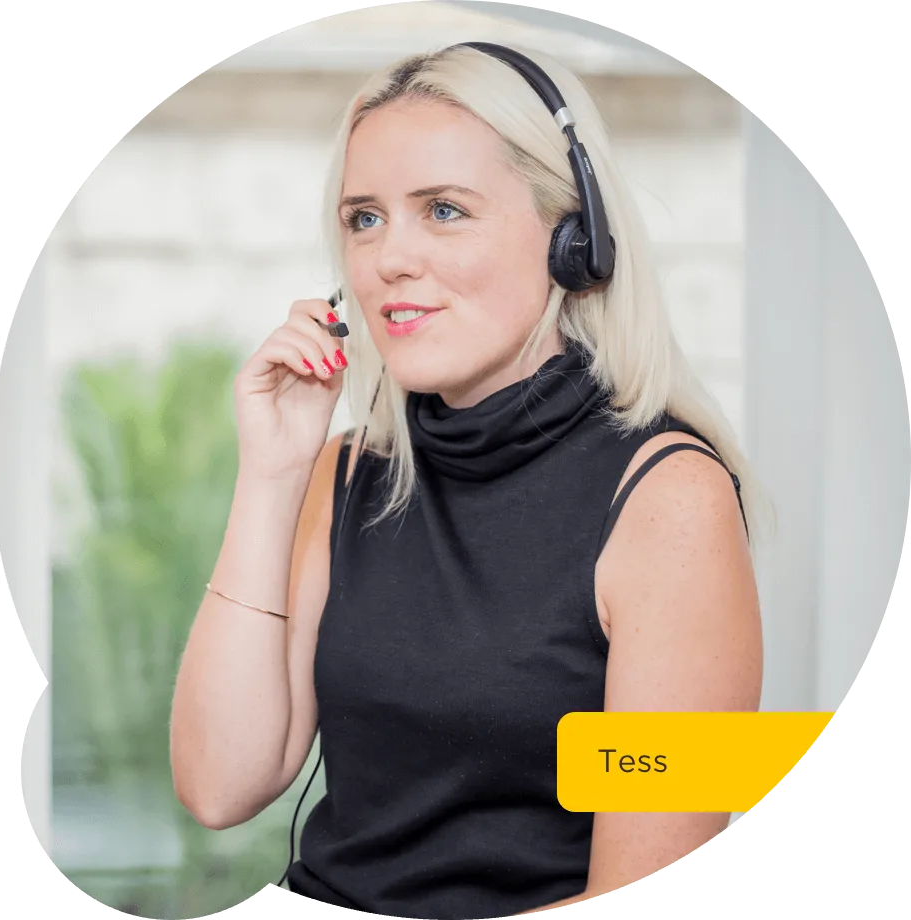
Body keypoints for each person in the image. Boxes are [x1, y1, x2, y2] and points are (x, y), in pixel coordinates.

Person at [170, 41, 766, 920]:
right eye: (364, 218)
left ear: (572, 241)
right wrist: (273, 470)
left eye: (443, 210)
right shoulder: (348, 473)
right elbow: (219, 786)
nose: (389, 259)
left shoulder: (673, 502)